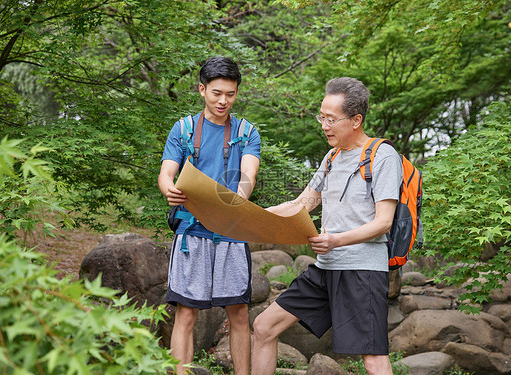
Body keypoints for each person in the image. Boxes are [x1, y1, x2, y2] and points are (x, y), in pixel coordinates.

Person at [251, 77, 401, 375]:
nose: (324, 125)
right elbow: (303, 203)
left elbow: (384, 223)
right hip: (326, 268)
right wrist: (253, 215)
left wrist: (336, 240)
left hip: (362, 271)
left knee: (372, 357)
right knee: (264, 327)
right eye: (322, 116)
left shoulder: (383, 157)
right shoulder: (331, 157)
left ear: (356, 120)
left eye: (331, 119)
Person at [158, 56, 261, 375]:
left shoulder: (246, 132)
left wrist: (238, 199)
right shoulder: (184, 129)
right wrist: (168, 189)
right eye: (217, 92)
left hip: (231, 233)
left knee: (240, 314)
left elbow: (248, 175)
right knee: (186, 315)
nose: (223, 100)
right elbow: (165, 173)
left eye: (230, 94)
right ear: (202, 89)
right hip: (191, 234)